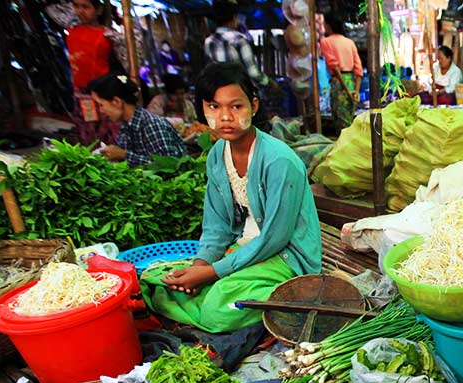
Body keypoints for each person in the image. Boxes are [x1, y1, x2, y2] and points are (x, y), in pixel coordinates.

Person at [143, 63, 323, 334]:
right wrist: (201, 266)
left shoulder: (279, 161)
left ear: (254, 106)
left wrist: (212, 273)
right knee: (159, 284)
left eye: (236, 107)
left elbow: (275, 237)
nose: (225, 117)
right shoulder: (217, 156)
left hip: (285, 256)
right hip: (244, 248)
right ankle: (215, 301)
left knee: (217, 309)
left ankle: (291, 297)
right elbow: (216, 226)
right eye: (214, 107)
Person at [87, 74, 185, 166]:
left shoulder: (152, 125)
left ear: (117, 102)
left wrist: (124, 155)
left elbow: (169, 165)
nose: (101, 111)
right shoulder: (126, 126)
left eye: (101, 105)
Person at [67, 0, 121, 145]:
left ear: (98, 10)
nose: (80, 11)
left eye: (86, 7)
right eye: (76, 6)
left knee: (109, 136)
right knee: (87, 137)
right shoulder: (71, 28)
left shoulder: (109, 35)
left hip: (102, 95)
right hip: (80, 94)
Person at [204, 0, 271, 90]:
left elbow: (209, 71)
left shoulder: (208, 42)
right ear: (234, 18)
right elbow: (253, 72)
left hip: (219, 93)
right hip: (239, 92)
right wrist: (268, 82)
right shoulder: (239, 40)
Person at [319, 14, 362, 131]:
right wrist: (356, 91)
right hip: (351, 81)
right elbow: (359, 70)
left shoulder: (326, 42)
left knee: (341, 122)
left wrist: (347, 91)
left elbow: (335, 67)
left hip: (339, 83)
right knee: (349, 119)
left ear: (328, 26)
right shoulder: (349, 42)